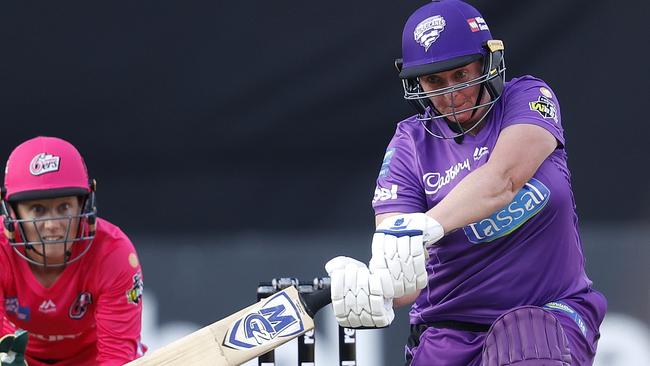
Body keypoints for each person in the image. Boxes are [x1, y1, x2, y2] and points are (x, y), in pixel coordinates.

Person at [324, 1, 607, 365]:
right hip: (448, 329)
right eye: (435, 80)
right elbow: (405, 278)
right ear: (417, 82)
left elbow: (502, 180)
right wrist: (373, 286)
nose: (451, 94)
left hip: (548, 315)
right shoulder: (409, 143)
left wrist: (426, 224)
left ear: (487, 62)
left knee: (528, 337)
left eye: (460, 75)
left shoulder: (528, 98)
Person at [0, 136, 145, 365]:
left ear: (83, 204)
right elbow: (3, 350)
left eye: (64, 207)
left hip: (92, 358)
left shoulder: (113, 253)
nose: (52, 225)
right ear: (12, 212)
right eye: (37, 209)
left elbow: (116, 356)